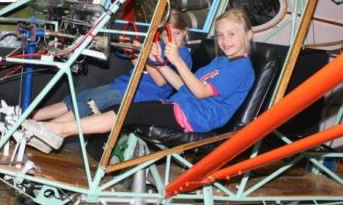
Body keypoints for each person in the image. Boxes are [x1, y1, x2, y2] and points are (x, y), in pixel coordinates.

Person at [23, 8, 255, 147]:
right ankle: (47, 128)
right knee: (117, 106)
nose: (225, 40)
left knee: (126, 111)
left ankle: (59, 131)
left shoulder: (241, 68)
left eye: (232, 34)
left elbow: (200, 92)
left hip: (194, 117)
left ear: (249, 34)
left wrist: (175, 61)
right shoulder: (220, 62)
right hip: (181, 106)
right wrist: (161, 62)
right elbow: (181, 86)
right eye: (221, 35)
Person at [32, 10, 192, 123]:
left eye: (177, 34)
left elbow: (160, 81)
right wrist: (134, 53)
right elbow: (141, 68)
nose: (171, 39)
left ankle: (46, 129)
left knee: (89, 104)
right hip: (124, 84)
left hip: (140, 95)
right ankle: (30, 118)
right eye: (166, 35)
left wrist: (145, 55)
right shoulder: (160, 47)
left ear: (185, 32)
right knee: (79, 97)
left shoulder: (182, 55)